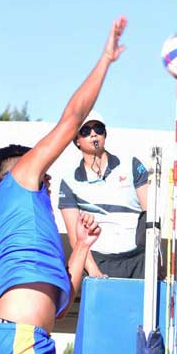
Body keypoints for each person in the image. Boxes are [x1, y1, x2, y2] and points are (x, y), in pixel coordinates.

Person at [0, 16, 126, 354]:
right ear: (16, 170)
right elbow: (72, 117)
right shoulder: (19, 184)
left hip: (8, 336)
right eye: (38, 162)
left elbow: (58, 302)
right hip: (18, 339)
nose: (48, 170)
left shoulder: (17, 228)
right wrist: (106, 60)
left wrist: (80, 251)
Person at [58, 110, 150, 279]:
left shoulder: (131, 165)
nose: (93, 134)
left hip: (139, 260)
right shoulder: (69, 182)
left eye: (98, 129)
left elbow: (150, 216)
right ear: (77, 140)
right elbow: (74, 237)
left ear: (105, 134)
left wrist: (154, 260)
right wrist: (93, 270)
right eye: (85, 131)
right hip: (101, 262)